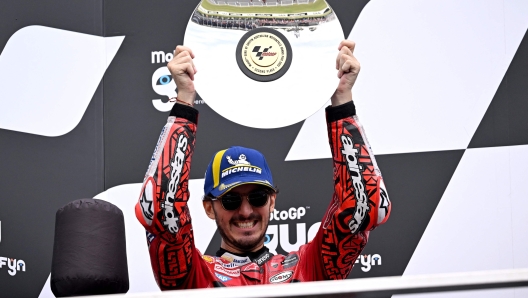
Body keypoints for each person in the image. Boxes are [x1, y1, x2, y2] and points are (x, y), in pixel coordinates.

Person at [135, 40, 391, 289]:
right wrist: (184, 101)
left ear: (272, 201)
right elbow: (160, 209)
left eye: (257, 197)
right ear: (209, 208)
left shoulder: (307, 267)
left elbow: (364, 206)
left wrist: (341, 100)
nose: (246, 211)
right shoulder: (196, 277)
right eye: (231, 200)